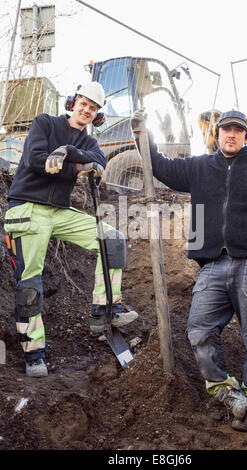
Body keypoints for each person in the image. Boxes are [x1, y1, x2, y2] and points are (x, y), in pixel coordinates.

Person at [131, 109, 247, 432]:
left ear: (246, 136)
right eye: (226, 130)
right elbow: (161, 166)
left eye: (238, 131)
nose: (231, 135)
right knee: (199, 330)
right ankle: (227, 393)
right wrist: (144, 135)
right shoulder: (199, 167)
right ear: (217, 134)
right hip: (212, 264)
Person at [4, 81, 138, 378]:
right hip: (28, 208)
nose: (87, 110)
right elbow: (36, 160)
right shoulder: (45, 123)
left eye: (93, 108)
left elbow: (99, 163)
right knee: (29, 285)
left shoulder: (90, 141)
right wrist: (76, 165)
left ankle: (104, 312)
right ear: (72, 102)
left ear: (98, 115)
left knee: (111, 240)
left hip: (60, 212)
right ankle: (34, 354)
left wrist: (66, 152)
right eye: (84, 104)